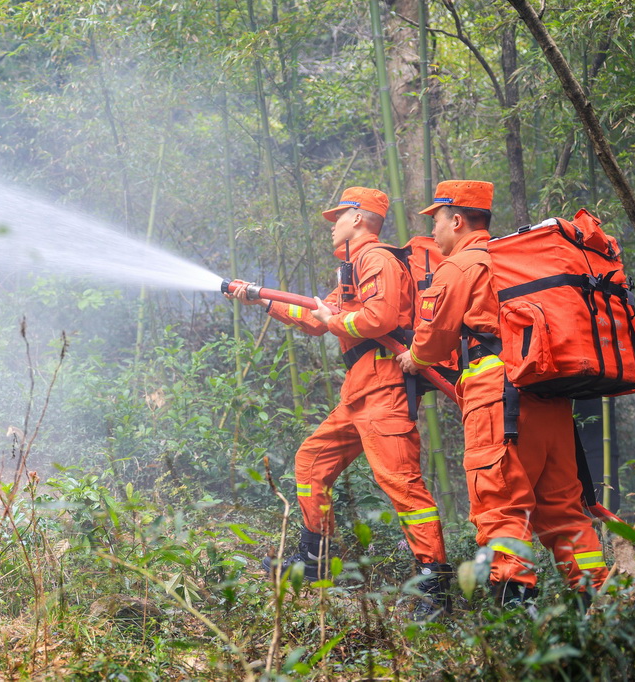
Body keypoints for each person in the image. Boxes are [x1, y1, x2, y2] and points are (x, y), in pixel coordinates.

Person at [227, 186, 450, 619]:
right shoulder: (352, 269)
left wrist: (338, 319)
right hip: (360, 392)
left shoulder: (376, 258)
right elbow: (315, 318)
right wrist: (261, 298)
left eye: (338, 219)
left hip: (384, 390)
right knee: (312, 462)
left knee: (402, 485)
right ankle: (315, 562)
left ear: (359, 218)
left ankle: (435, 587)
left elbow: (381, 319)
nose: (332, 227)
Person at [396, 180, 609, 606]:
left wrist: (414, 359)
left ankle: (516, 617)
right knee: (565, 513)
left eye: (436, 221)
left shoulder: (461, 265)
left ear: (456, 220)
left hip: (499, 401)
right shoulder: (513, 263)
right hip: (548, 399)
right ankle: (605, 608)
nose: (433, 233)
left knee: (501, 507)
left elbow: (435, 338)